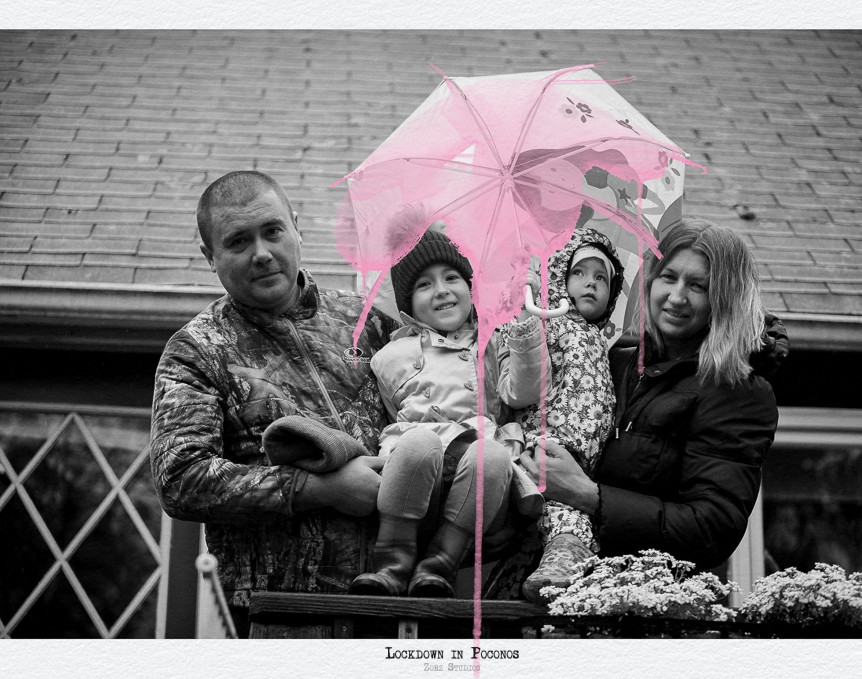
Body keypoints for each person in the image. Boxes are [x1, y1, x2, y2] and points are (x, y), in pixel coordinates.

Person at [150, 170, 396, 635]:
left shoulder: (369, 324)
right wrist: (320, 488)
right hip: (283, 614)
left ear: (296, 227)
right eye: (238, 241)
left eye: (272, 231)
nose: (261, 253)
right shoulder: (198, 350)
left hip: (400, 603)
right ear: (210, 256)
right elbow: (180, 478)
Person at [520, 217, 788, 579]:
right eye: (668, 277)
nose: (677, 297)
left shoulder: (737, 392)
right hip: (544, 577)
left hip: (642, 596)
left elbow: (712, 529)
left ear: (725, 299)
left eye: (698, 286)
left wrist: (587, 494)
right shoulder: (613, 362)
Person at [349, 219, 546, 598]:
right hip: (417, 478)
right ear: (408, 305)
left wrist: (525, 318)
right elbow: (389, 414)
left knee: (491, 456)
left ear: (470, 287)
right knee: (417, 443)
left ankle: (441, 563)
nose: (441, 290)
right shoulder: (389, 357)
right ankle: (391, 562)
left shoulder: (491, 342)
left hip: (476, 478)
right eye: (424, 284)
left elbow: (523, 391)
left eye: (452, 277)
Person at [503, 227, 626, 604]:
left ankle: (529, 575)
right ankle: (567, 554)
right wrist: (526, 308)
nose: (591, 283)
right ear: (558, 278)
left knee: (558, 518)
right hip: (548, 444)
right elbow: (523, 371)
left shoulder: (602, 340)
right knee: (561, 512)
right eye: (579, 272)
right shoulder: (550, 322)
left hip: (585, 461)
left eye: (601, 278)